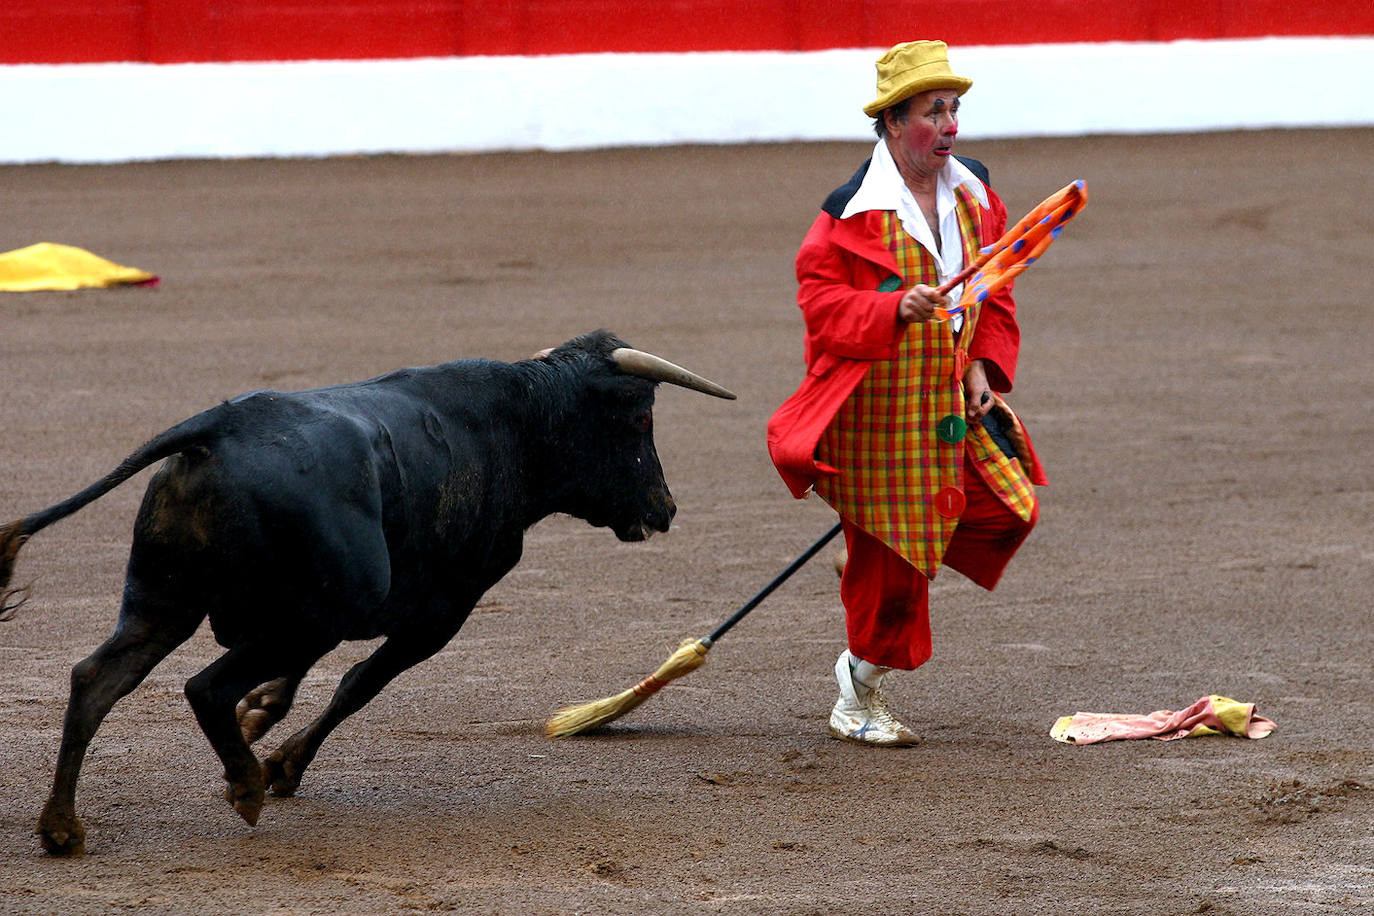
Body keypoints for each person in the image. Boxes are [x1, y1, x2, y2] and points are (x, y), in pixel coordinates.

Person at [766, 40, 1048, 747]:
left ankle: (881, 542)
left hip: (951, 405)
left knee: (1011, 510)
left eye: (954, 108)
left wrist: (981, 362)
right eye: (933, 110)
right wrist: (893, 310)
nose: (949, 124)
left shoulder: (976, 191)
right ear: (893, 122)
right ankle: (856, 696)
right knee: (895, 581)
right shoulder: (847, 215)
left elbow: (994, 288)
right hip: (879, 418)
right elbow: (821, 309)